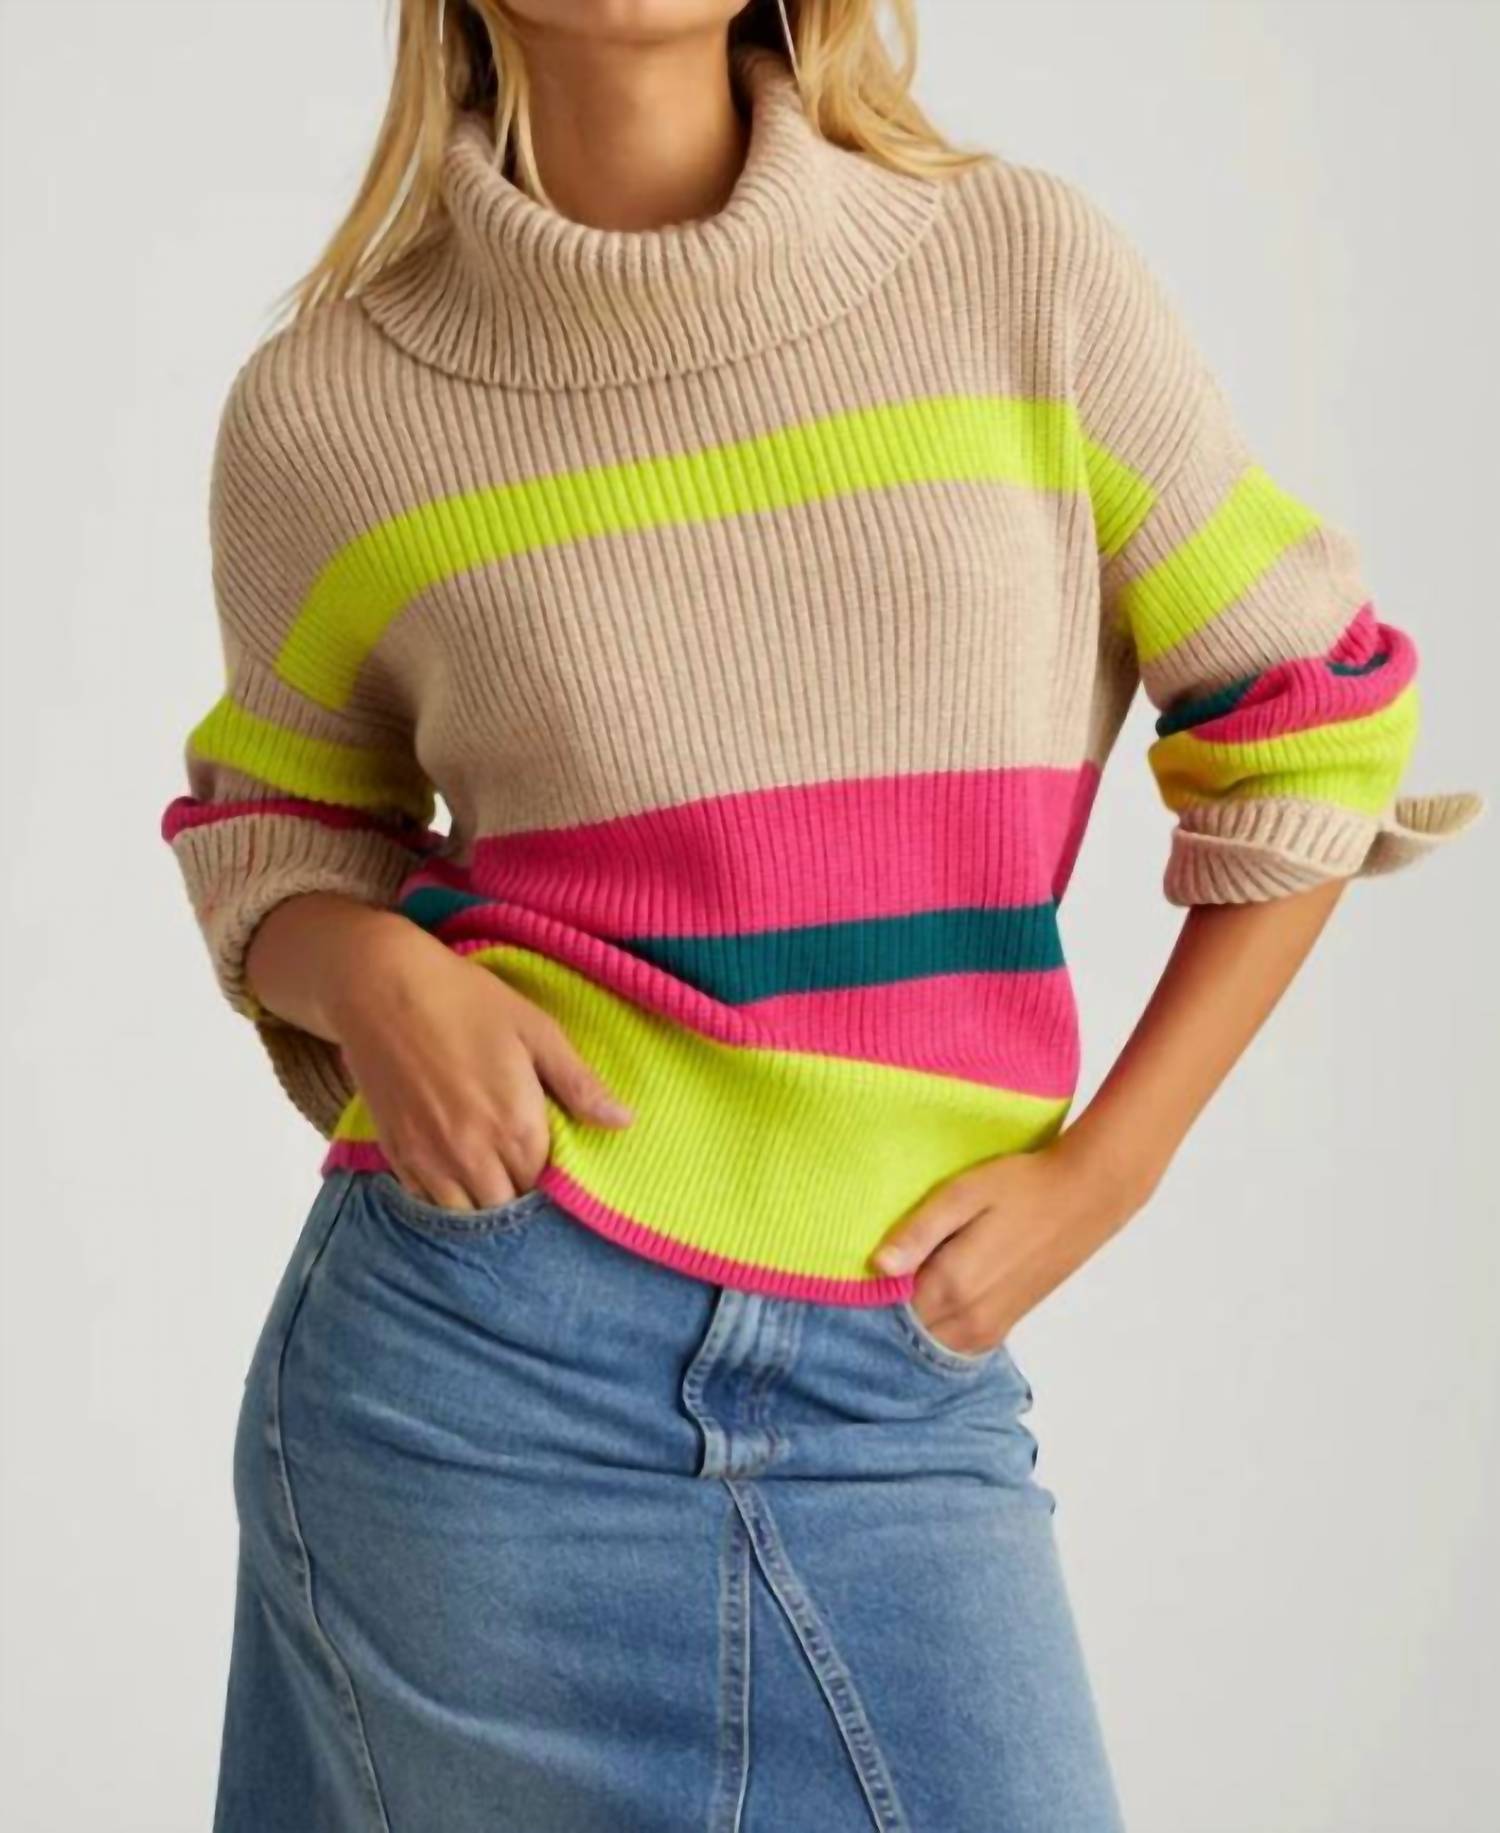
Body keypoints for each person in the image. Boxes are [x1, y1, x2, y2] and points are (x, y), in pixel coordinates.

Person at [159, 3, 1482, 1827]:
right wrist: (370, 966)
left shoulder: (1019, 274)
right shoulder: (330, 409)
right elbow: (273, 832)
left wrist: (1113, 1169)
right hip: (479, 1381)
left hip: (895, 1386)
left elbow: (1311, 718)